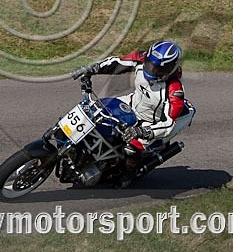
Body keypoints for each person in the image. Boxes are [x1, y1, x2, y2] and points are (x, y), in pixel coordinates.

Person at [71, 40, 192, 187]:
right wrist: (91, 69)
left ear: (170, 70)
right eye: (149, 63)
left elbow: (168, 124)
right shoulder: (141, 58)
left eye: (157, 69)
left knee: (131, 148)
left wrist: (142, 131)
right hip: (131, 103)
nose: (150, 69)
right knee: (95, 110)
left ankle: (129, 173)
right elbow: (117, 62)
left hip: (149, 123)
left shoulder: (174, 91)